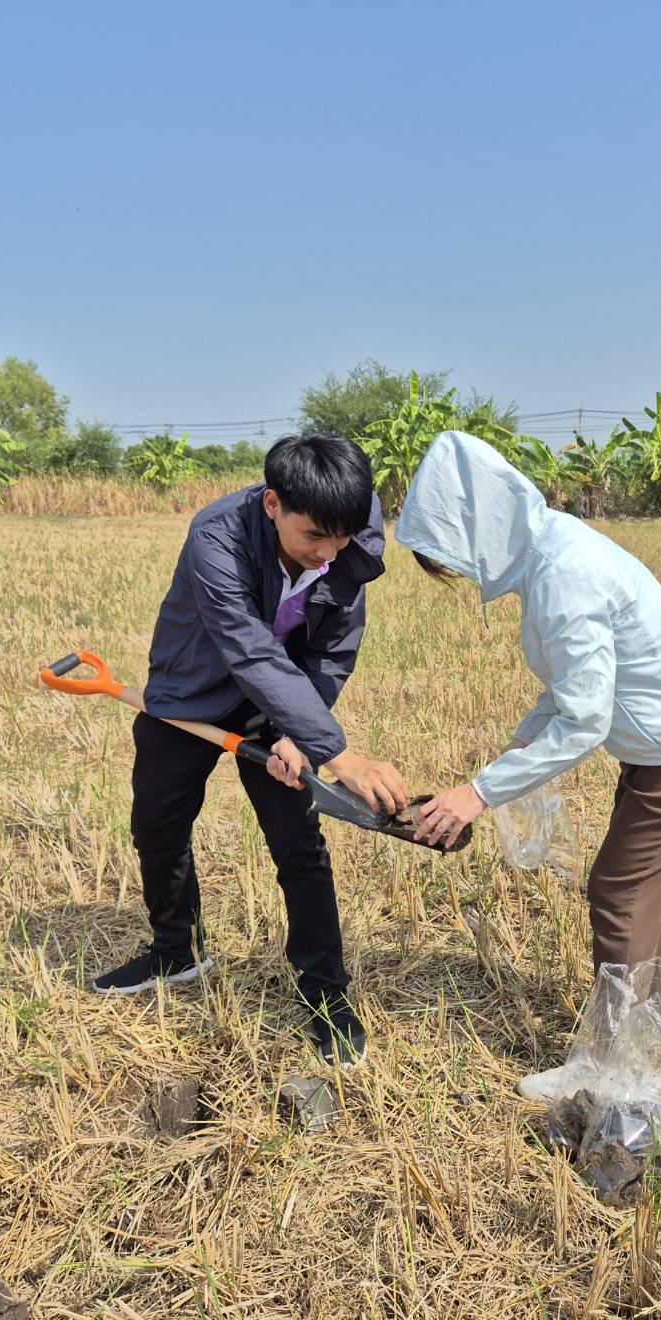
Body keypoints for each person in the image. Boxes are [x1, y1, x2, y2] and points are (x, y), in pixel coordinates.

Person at [396, 431, 661, 1101]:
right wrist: (515, 752)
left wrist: (477, 794)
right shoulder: (548, 550)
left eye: (451, 556)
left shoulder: (563, 572)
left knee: (619, 894)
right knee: (650, 888)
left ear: (479, 528)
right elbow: (568, 687)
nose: (459, 573)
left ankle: (610, 1066)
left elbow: (586, 718)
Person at [93, 434, 408, 1067]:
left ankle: (325, 994)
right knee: (158, 823)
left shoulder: (348, 536)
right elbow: (245, 646)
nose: (328, 554)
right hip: (190, 691)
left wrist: (298, 731)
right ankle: (174, 949)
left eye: (341, 538)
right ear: (272, 505)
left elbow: (332, 647)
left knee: (300, 845)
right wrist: (335, 754)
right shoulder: (217, 538)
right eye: (314, 537)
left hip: (284, 698)